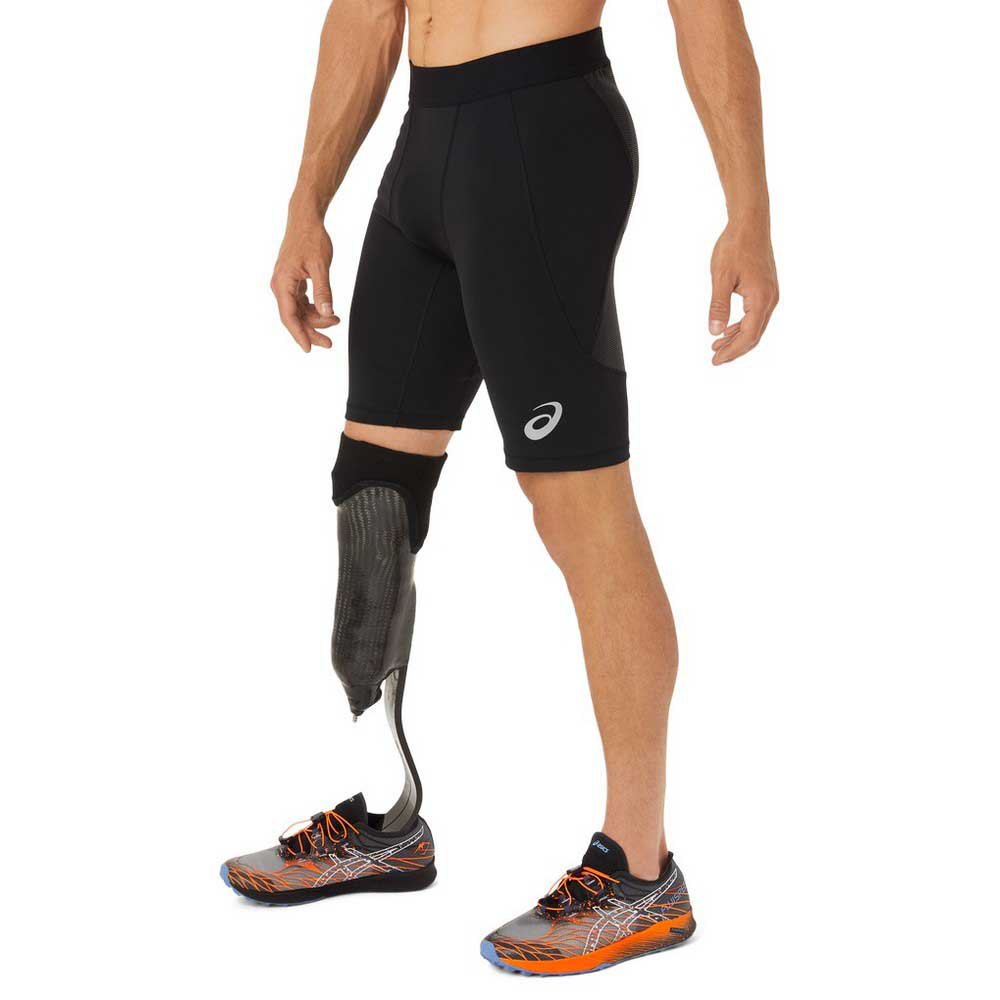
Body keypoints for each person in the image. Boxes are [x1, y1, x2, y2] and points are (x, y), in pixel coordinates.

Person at [221, 0, 778, 976]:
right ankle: (387, 818)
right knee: (375, 491)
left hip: (542, 135)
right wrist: (307, 198)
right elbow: (366, 12)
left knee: (578, 507)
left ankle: (639, 870)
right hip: (424, 140)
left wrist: (749, 212)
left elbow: (706, 16)